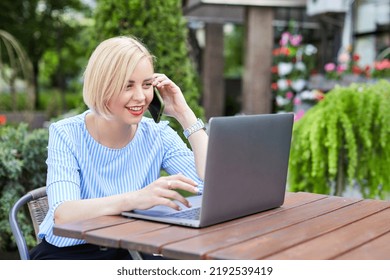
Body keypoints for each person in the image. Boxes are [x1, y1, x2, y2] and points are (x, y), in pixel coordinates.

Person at [30, 36, 208, 260]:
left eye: (146, 84)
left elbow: (211, 183)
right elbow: (64, 214)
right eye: (128, 85)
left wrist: (184, 114)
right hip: (73, 251)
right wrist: (135, 199)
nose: (141, 97)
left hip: (132, 248)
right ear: (103, 87)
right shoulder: (66, 133)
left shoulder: (158, 133)